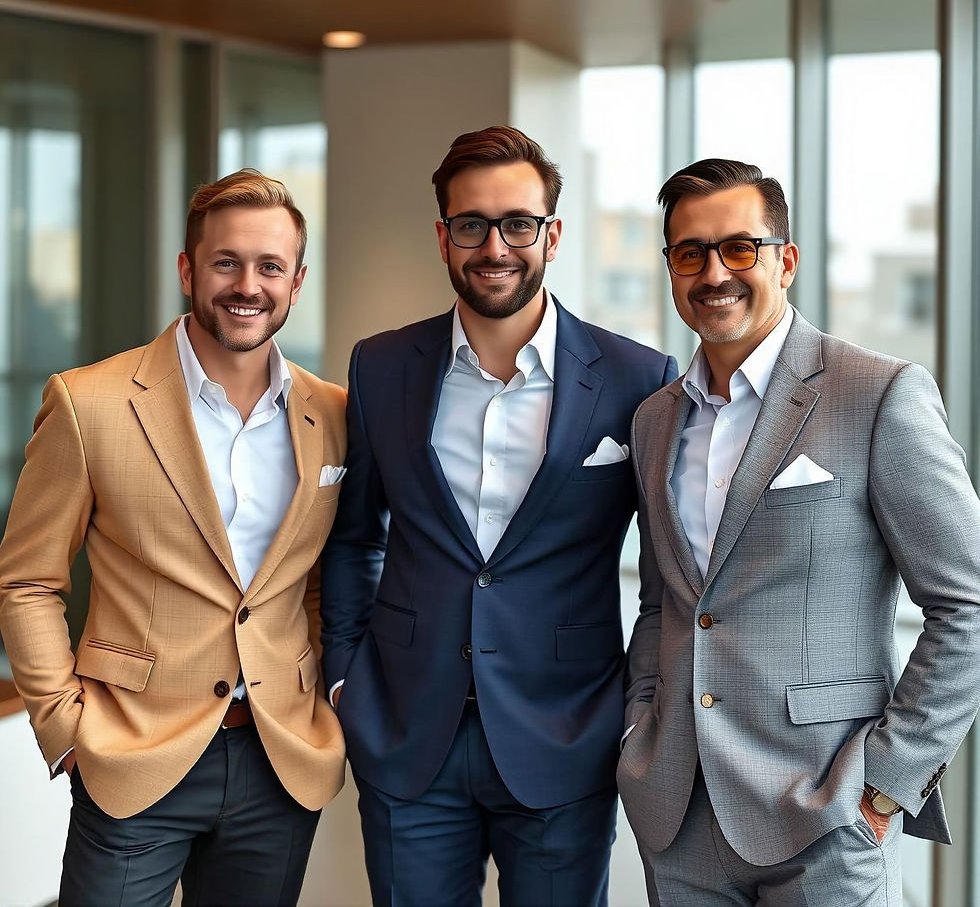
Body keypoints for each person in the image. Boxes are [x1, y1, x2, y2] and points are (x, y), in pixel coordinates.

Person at [319, 125, 677, 906]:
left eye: (518, 223)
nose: (496, 246)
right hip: (407, 732)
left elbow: (665, 575)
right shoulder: (381, 365)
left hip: (568, 736)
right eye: (471, 225)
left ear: (552, 234)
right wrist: (346, 679)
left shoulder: (637, 377)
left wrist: (634, 709)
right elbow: (354, 539)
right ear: (443, 238)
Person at [618, 157, 980, 905]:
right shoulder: (655, 421)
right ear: (671, 268)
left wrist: (885, 784)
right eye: (690, 252)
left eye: (738, 247)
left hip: (828, 818)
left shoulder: (876, 394)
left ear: (786, 260)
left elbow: (968, 605)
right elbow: (665, 605)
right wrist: (639, 730)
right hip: (680, 817)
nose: (714, 271)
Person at [0, 169, 348, 906]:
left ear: (297, 280)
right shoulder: (88, 401)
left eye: (270, 266)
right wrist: (64, 728)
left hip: (278, 756)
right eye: (226, 262)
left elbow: (321, 575)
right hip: (133, 751)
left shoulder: (334, 412)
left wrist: (316, 694)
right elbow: (28, 580)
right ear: (189, 269)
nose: (246, 285)